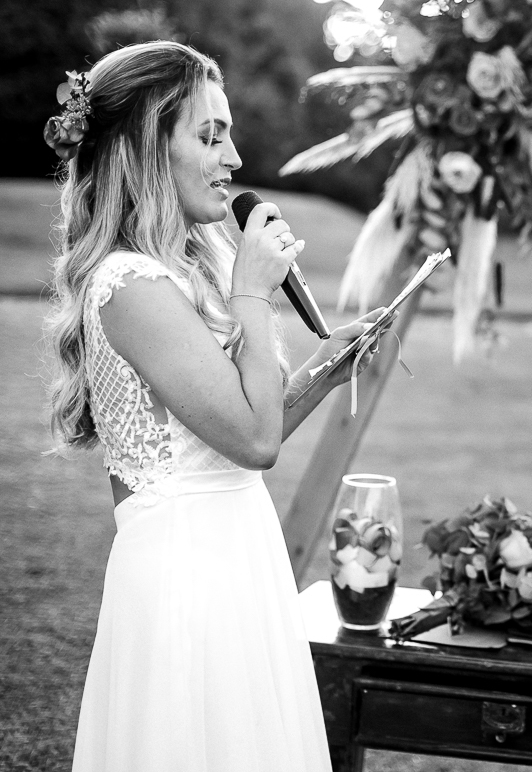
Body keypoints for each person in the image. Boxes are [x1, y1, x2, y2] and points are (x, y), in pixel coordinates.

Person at [43, 41, 387, 772]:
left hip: (239, 555)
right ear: (144, 146)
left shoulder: (192, 263)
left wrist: (327, 370)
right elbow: (256, 440)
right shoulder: (128, 283)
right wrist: (253, 294)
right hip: (183, 578)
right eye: (209, 135)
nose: (233, 158)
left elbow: (232, 438)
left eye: (228, 133)